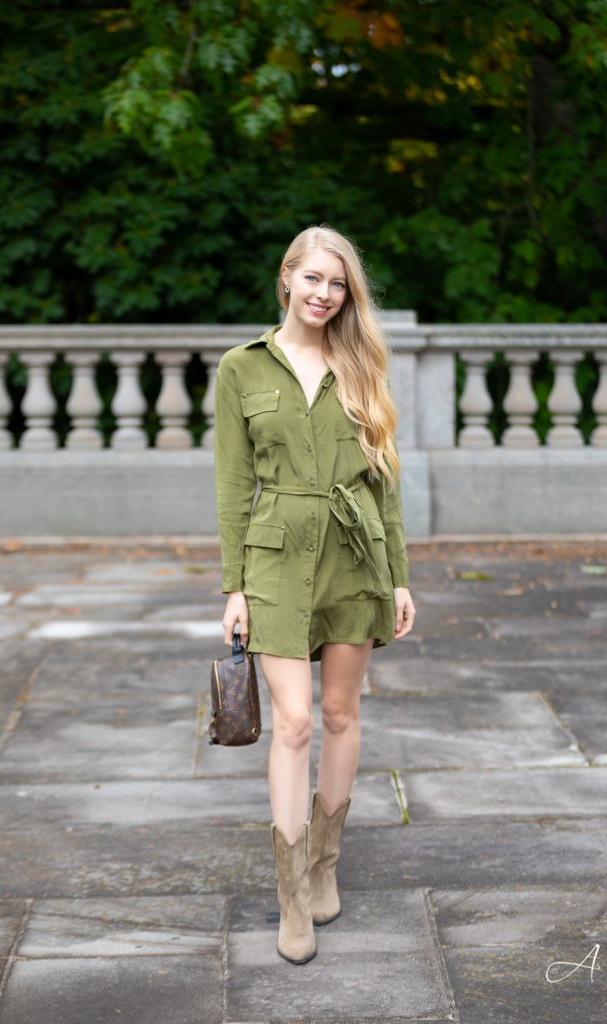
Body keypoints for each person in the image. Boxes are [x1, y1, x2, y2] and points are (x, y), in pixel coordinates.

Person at [213, 224, 416, 965]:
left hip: (353, 557)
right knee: (292, 722)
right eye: (314, 279)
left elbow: (383, 482)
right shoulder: (242, 368)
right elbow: (233, 483)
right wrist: (232, 584)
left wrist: (396, 574)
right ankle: (291, 893)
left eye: (338, 284)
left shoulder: (362, 364)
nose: (325, 294)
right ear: (287, 278)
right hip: (273, 555)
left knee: (338, 712)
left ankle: (327, 865)